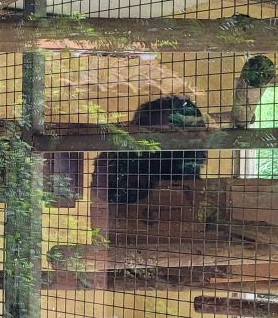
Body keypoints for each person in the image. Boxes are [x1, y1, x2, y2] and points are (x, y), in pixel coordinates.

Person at [89, 96, 208, 238]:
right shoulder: (125, 157)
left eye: (196, 132)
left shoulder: (182, 156)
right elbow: (104, 198)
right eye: (190, 132)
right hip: (129, 230)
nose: (199, 137)